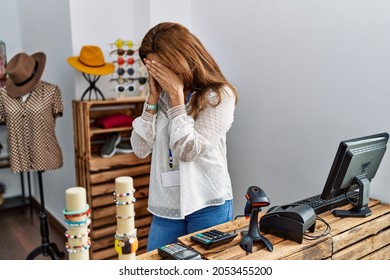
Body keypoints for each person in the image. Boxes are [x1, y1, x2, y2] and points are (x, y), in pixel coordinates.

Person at [130, 22, 238, 251]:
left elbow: (187, 151)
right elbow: (140, 148)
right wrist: (151, 99)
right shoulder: (159, 98)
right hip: (167, 205)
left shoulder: (218, 96)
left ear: (183, 58)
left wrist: (177, 97)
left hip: (207, 202)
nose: (159, 75)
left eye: (163, 68)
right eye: (153, 69)